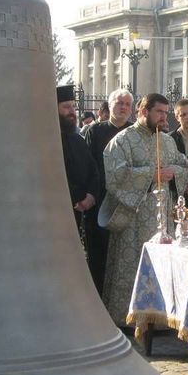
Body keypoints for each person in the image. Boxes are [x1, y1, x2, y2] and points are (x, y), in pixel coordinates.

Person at [99, 93, 188, 327]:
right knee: (131, 267)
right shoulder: (123, 140)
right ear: (143, 112)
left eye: (165, 112)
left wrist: (172, 171)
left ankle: (160, 320)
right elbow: (115, 176)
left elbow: (184, 166)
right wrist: (151, 175)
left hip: (162, 219)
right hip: (134, 220)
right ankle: (128, 319)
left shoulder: (168, 140)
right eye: (159, 112)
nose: (164, 117)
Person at [83, 88, 133, 294]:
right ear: (109, 105)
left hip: (128, 201)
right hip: (100, 199)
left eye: (127, 104)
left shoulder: (134, 132)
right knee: (98, 251)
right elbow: (88, 166)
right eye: (119, 103)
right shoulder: (94, 131)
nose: (123, 107)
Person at [56, 85, 99, 238]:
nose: (72, 112)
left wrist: (91, 196)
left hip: (81, 211)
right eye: (66, 107)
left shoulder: (77, 140)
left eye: (73, 107)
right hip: (56, 211)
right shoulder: (46, 142)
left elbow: (93, 172)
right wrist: (76, 199)